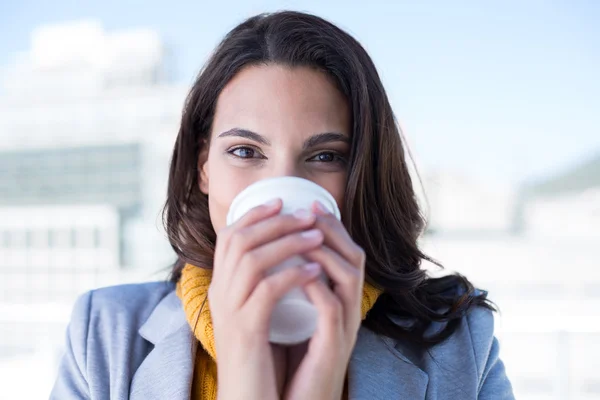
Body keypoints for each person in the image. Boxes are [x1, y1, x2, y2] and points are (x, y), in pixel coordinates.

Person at [50, 10, 514, 400]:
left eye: (326, 156)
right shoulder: (103, 337)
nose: (283, 186)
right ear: (203, 167)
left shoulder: (460, 343)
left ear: (362, 175)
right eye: (246, 152)